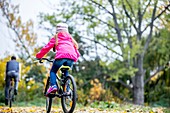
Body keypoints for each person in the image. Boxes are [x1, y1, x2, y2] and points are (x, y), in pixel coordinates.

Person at [36, 23, 80, 96]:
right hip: (72, 58)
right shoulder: (70, 39)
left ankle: (53, 86)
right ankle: (67, 89)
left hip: (61, 57)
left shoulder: (56, 38)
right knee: (66, 71)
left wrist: (39, 56)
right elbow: (76, 52)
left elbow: (46, 48)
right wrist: (75, 58)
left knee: (53, 71)